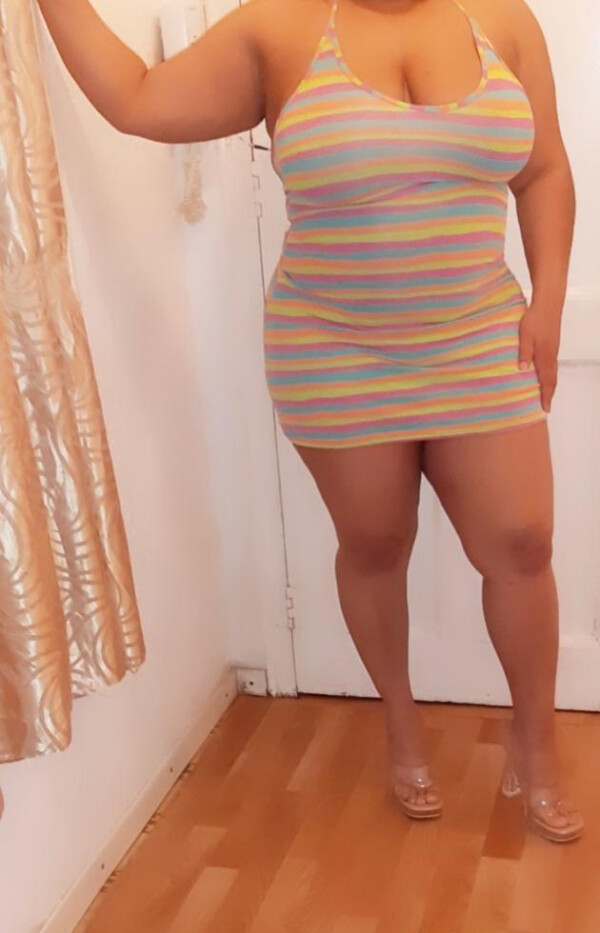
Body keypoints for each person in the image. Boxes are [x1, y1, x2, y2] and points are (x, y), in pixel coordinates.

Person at [36, 0, 582, 841]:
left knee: (521, 543)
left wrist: (548, 299)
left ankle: (536, 745)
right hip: (336, 349)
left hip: (479, 337)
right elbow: (138, 99)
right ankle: (402, 726)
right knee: (375, 543)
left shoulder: (503, 21)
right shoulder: (279, 28)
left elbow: (543, 170)